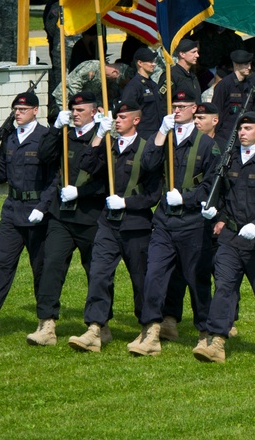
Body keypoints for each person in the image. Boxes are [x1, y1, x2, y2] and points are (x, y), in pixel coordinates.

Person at [128, 90, 219, 356]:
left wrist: (187, 198)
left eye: (182, 106)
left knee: (197, 279)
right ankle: (151, 332)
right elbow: (147, 164)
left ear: (194, 109)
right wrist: (160, 133)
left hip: (192, 222)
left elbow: (213, 185)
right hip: (165, 221)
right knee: (154, 276)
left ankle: (205, 333)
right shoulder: (165, 137)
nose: (177, 110)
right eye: (174, 106)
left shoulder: (206, 144)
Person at [67, 102, 162, 352]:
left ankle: (150, 330)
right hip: (108, 224)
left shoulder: (146, 150)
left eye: (122, 117)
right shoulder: (109, 146)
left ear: (136, 120)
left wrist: (127, 203)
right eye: (116, 117)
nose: (117, 121)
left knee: (141, 279)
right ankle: (95, 329)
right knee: (99, 274)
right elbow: (86, 165)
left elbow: (154, 195)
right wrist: (99, 134)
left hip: (136, 225)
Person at [195, 112, 255, 362]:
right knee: (224, 288)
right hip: (231, 238)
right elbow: (222, 195)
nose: (242, 133)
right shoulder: (229, 161)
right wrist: (215, 212)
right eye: (240, 129)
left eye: (248, 128)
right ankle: (217, 342)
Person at [0, 92, 54, 343]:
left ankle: (47, 325)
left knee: (42, 269)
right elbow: (0, 174)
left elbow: (55, 179)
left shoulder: (46, 138)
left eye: (23, 109)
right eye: (16, 109)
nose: (18, 113)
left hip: (37, 213)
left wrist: (43, 207)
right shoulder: (11, 138)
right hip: (12, 211)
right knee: (2, 263)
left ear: (35, 111)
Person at [26, 91, 107, 346]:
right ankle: (47, 324)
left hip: (91, 215)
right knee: (51, 265)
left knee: (96, 271)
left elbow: (106, 181)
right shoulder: (65, 135)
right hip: (62, 215)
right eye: (73, 110)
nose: (75, 114)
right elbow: (44, 156)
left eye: (81, 110)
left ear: (94, 111)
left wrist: (81, 192)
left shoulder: (103, 137)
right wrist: (54, 129)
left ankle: (99, 325)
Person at [117, 47, 164, 139]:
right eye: (150, 62)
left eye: (153, 61)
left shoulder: (153, 85)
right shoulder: (133, 86)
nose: (154, 64)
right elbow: (127, 112)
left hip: (157, 133)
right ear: (140, 63)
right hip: (142, 135)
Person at [210, 49, 254, 144]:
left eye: (250, 64)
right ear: (236, 65)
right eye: (246, 64)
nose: (249, 67)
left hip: (244, 136)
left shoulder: (249, 85)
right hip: (225, 136)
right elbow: (216, 111)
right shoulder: (224, 85)